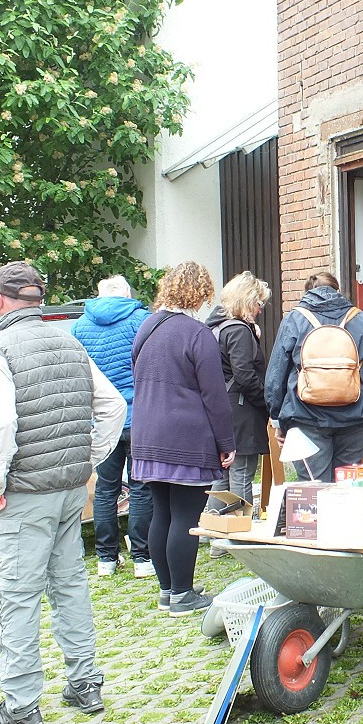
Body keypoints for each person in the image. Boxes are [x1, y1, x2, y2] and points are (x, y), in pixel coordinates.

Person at [0, 262, 126, 724]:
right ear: (37, 302)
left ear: (0, 301)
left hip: (24, 494)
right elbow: (114, 405)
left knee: (18, 596)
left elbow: (0, 425)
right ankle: (85, 685)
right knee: (70, 586)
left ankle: (21, 706)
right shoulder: (70, 340)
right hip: (68, 489)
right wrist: (89, 458)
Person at [130, 261, 236, 617]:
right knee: (186, 517)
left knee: (162, 513)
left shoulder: (147, 326)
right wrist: (227, 443)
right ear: (200, 292)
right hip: (185, 437)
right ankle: (183, 594)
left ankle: (166, 591)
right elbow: (214, 395)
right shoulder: (196, 333)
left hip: (146, 433)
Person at [265, 271, 363, 482]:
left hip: (305, 416)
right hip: (357, 417)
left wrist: (277, 418)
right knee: (348, 487)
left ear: (307, 293)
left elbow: (276, 373)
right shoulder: (359, 318)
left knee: (312, 489)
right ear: (337, 291)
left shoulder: (294, 319)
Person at [72, 275, 155, 578]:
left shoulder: (80, 326)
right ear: (127, 294)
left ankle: (106, 559)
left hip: (103, 420)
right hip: (139, 417)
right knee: (141, 486)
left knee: (106, 489)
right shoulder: (141, 321)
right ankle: (143, 559)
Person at [205, 271, 272, 508]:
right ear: (246, 301)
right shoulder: (238, 330)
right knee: (241, 474)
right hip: (242, 412)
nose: (260, 309)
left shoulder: (215, 327)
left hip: (219, 408)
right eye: (258, 302)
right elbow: (244, 375)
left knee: (222, 478)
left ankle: (215, 536)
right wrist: (268, 402)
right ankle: (239, 534)